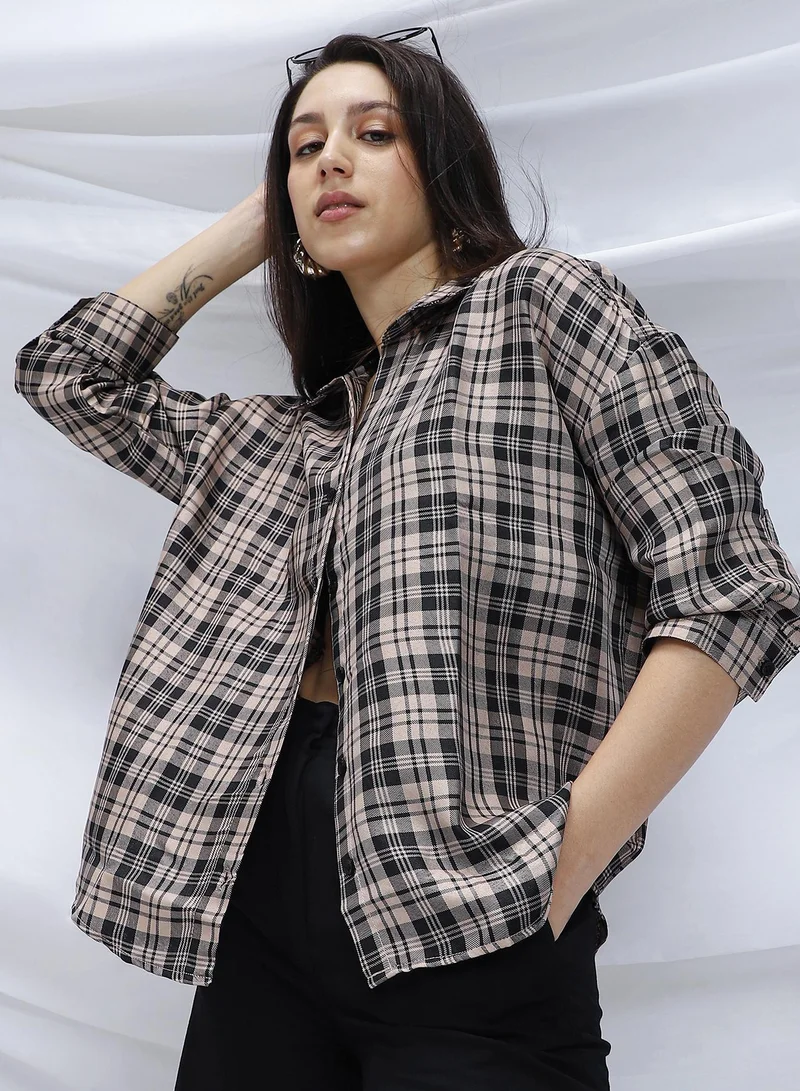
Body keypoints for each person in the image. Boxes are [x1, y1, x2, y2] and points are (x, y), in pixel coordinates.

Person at [14, 30, 800, 1091]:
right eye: (304, 147)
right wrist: (273, 212)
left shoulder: (542, 308)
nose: (331, 159)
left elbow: (733, 587)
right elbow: (69, 375)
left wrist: (565, 856)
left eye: (374, 133)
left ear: (443, 164)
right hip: (255, 908)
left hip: (475, 909)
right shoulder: (290, 437)